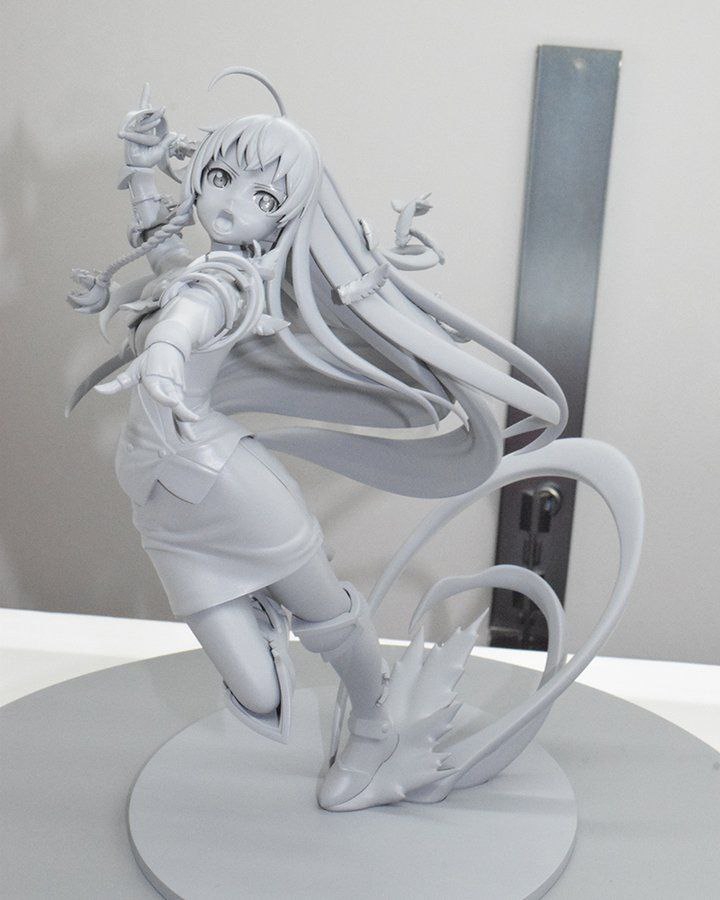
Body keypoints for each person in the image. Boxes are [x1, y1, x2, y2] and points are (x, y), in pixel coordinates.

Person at [67, 68, 568, 811]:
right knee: (260, 690)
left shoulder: (229, 285)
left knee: (326, 617)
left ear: (284, 219)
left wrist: (166, 355)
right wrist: (143, 166)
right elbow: (164, 249)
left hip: (231, 490)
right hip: (162, 508)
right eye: (220, 179)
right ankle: (281, 627)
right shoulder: (200, 270)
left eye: (263, 198)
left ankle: (375, 723)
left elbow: (192, 314)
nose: (231, 205)